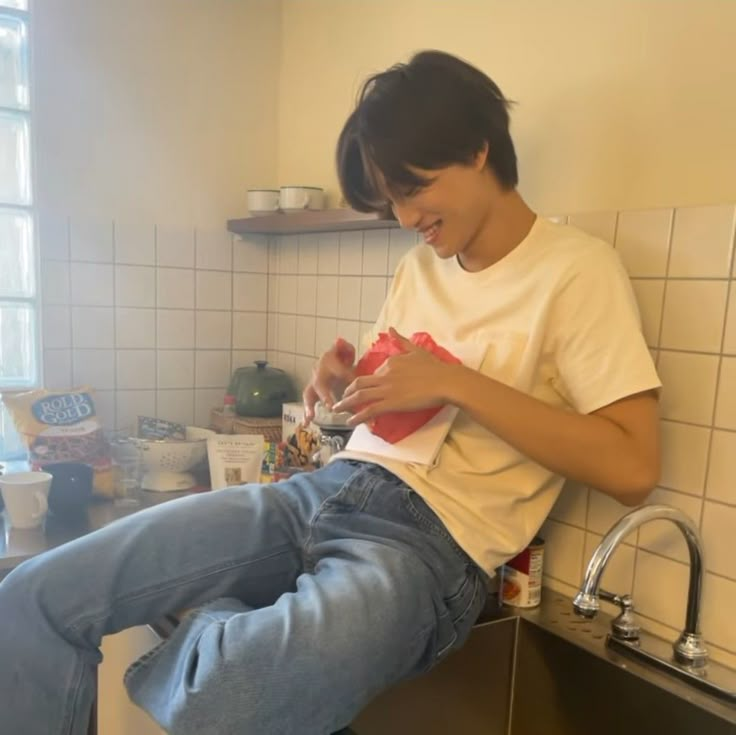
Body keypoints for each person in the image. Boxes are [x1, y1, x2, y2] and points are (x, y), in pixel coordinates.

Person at [0, 50, 661, 735]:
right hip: (317, 494)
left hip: (424, 551)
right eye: (391, 199)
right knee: (31, 597)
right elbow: (400, 412)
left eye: (413, 188)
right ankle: (236, 630)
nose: (406, 216)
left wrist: (458, 383)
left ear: (477, 147)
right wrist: (346, 385)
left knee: (226, 700)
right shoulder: (418, 270)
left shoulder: (576, 271)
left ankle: (223, 623)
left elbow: (633, 465)